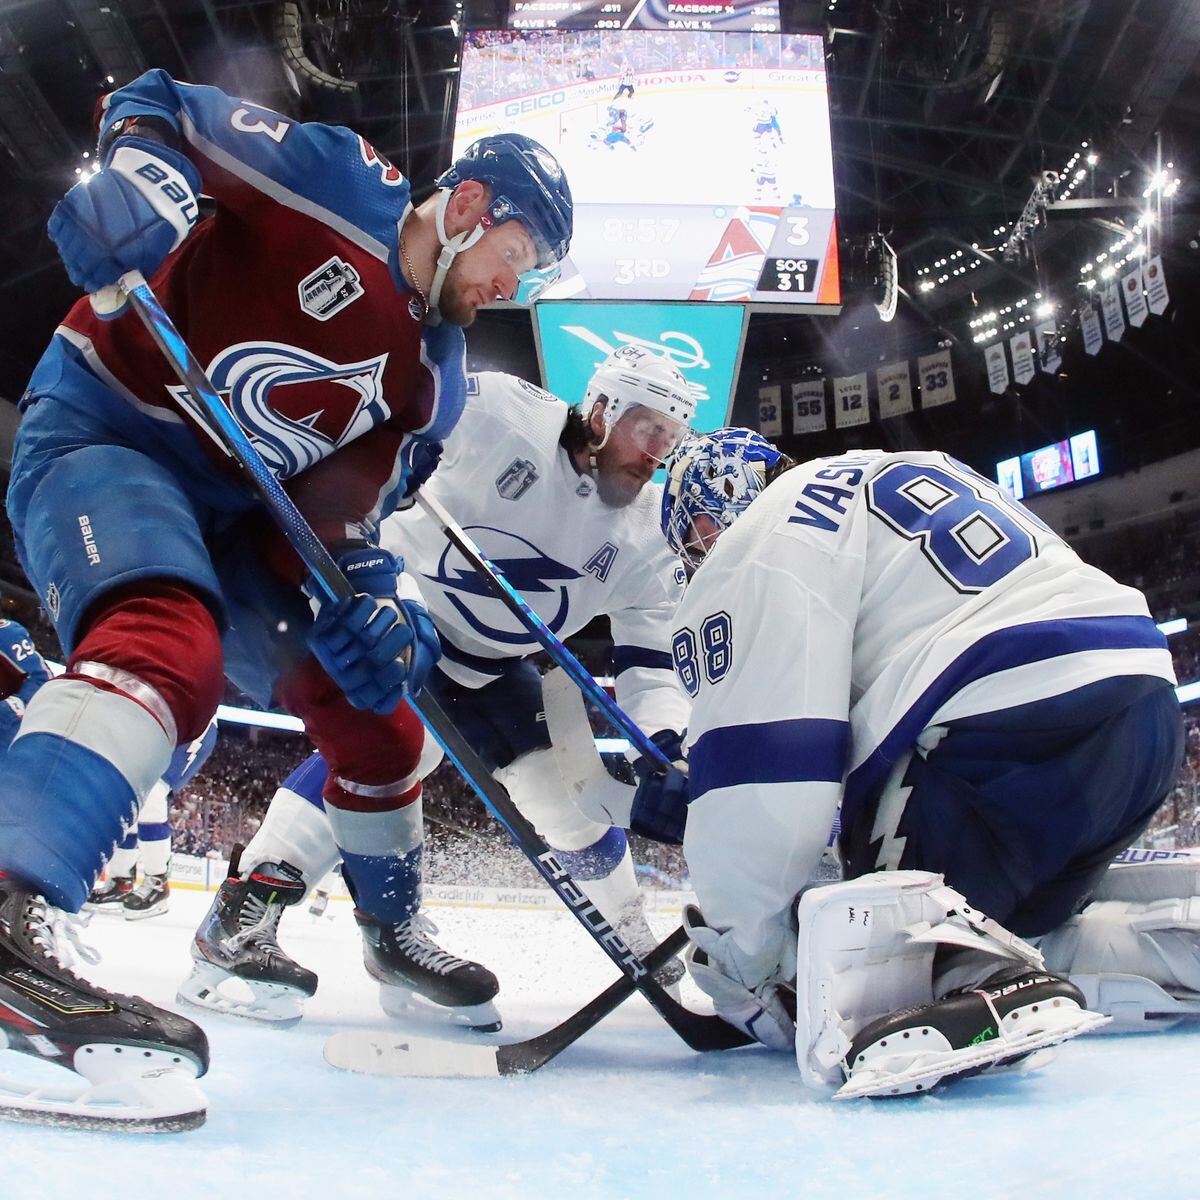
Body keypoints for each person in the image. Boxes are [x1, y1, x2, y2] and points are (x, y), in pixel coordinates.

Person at [0, 67, 571, 1129]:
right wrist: (143, 172)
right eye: (516, 259)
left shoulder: (436, 382)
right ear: (467, 209)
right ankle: (11, 911)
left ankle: (379, 936)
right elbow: (160, 97)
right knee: (169, 644)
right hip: (110, 430)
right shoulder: (334, 179)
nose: (513, 286)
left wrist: (374, 597)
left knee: (382, 727)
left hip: (236, 519)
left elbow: (343, 516)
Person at [181, 346, 695, 1030]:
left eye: (673, 436)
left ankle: (636, 935)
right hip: (403, 619)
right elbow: (382, 440)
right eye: (647, 427)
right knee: (396, 749)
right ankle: (239, 922)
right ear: (600, 409)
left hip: (499, 663)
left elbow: (651, 663)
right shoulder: (497, 414)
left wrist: (662, 742)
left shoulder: (650, 532)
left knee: (573, 797)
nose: (658, 451)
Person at [658, 429, 1183, 1097]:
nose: (699, 555)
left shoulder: (762, 535)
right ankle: (1177, 945)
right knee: (1019, 931)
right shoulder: (904, 466)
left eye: (694, 536)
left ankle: (969, 977)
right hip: (1141, 709)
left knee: (858, 948)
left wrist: (750, 955)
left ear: (709, 512)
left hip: (1004, 718)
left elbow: (768, 767)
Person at [86, 718, 219, 919]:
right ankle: (121, 880)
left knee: (153, 791)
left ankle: (158, 882)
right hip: (157, 718)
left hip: (193, 721)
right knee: (127, 794)